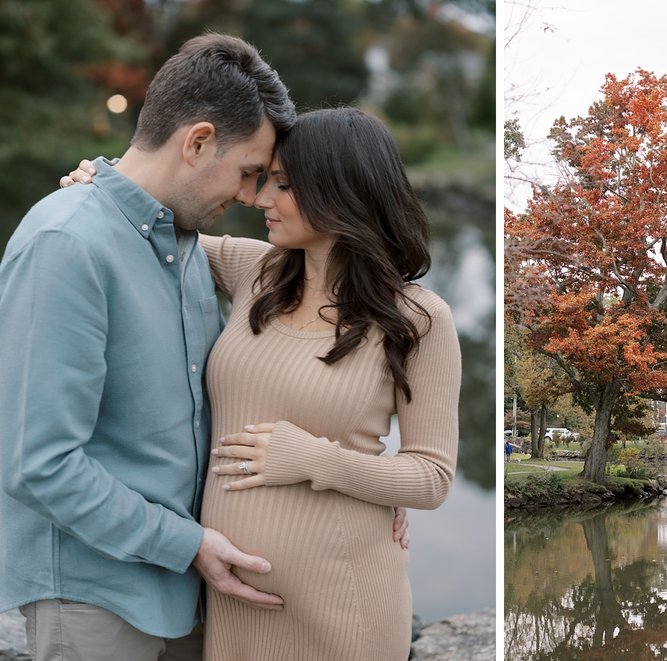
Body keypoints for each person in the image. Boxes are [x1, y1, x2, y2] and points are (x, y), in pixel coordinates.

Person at [0, 34, 407, 661]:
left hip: (190, 591)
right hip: (96, 600)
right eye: (249, 172)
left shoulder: (185, 245)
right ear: (197, 142)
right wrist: (186, 543)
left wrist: (364, 485)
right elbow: (40, 462)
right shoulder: (68, 245)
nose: (252, 196)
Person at [65, 108, 461, 660]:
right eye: (264, 179)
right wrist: (99, 183)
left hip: (342, 602)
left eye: (283, 184)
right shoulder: (255, 271)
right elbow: (135, 227)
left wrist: (313, 460)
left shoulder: (419, 318)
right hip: (229, 596)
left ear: (341, 191)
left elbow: (432, 476)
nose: (259, 198)